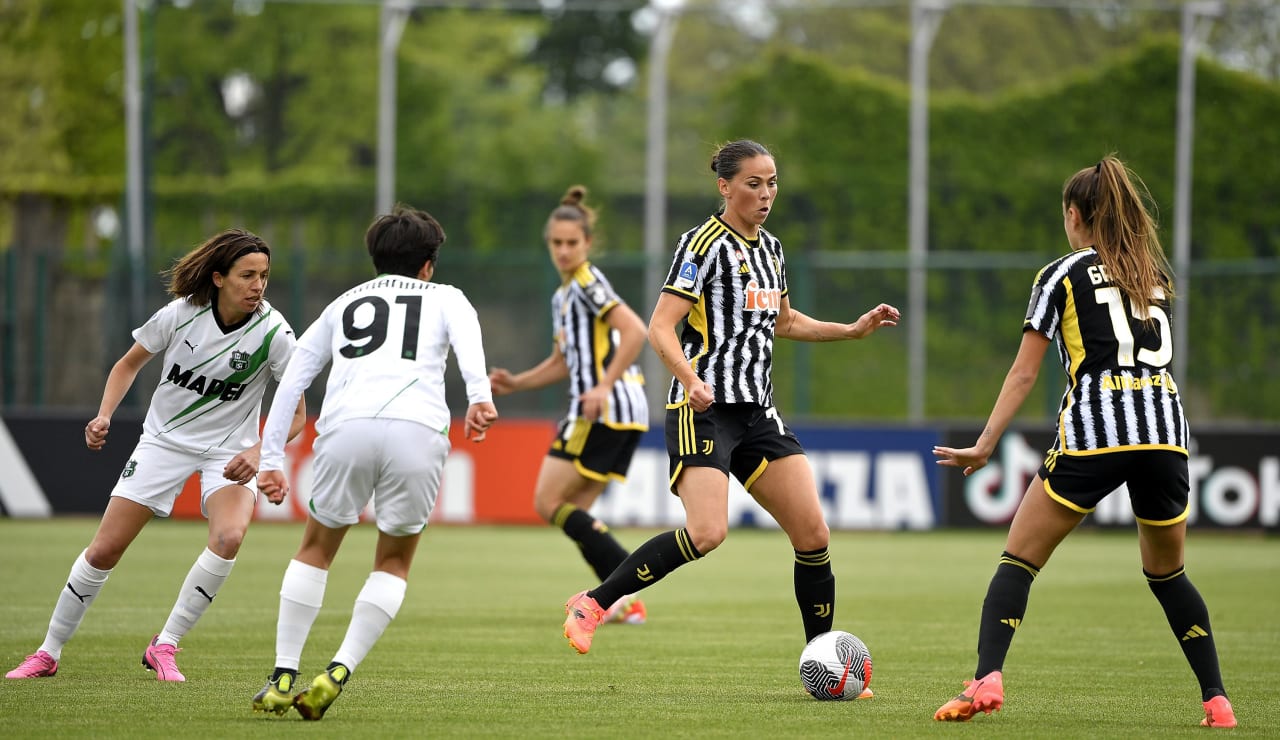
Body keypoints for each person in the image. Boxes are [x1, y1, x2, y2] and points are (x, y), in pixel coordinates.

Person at [561, 140, 901, 680]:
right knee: (707, 533)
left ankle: (823, 663)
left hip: (756, 412)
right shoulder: (702, 245)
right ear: (724, 186)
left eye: (772, 183)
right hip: (704, 408)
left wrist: (851, 329)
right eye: (753, 184)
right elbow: (659, 326)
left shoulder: (772, 250)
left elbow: (785, 322)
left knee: (813, 534)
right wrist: (691, 380)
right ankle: (595, 602)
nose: (766, 194)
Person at [930, 156, 1235, 728]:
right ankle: (1217, 700)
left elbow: (1023, 374)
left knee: (1018, 560)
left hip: (1097, 433)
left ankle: (986, 679)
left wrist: (986, 443)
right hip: (1166, 435)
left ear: (1074, 215)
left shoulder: (1061, 275)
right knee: (1168, 574)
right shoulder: (1155, 275)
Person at [5, 229, 305, 683]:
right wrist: (104, 415)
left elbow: (297, 411)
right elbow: (128, 364)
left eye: (264, 275)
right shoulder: (181, 314)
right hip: (162, 443)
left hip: (228, 453)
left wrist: (261, 449)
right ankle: (48, 652)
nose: (258, 285)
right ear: (220, 278)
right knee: (104, 549)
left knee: (229, 538)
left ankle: (165, 644)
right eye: (247, 275)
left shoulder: (275, 333)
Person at [249, 205, 498, 721]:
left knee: (316, 549)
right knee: (393, 561)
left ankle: (281, 676)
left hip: (347, 427)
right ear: (428, 264)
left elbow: (293, 378)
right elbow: (470, 350)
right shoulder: (448, 298)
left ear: (376, 259)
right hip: (418, 431)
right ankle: (338, 670)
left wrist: (271, 457)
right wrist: (479, 398)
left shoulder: (343, 304)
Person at [488, 185, 650, 625]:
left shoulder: (586, 283)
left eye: (571, 243)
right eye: (557, 244)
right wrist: (517, 382)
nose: (563, 251)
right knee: (575, 511)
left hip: (602, 408)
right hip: (623, 411)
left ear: (587, 244)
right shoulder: (564, 296)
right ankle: (620, 601)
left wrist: (600, 387)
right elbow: (564, 360)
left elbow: (636, 331)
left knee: (546, 501)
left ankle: (628, 587)